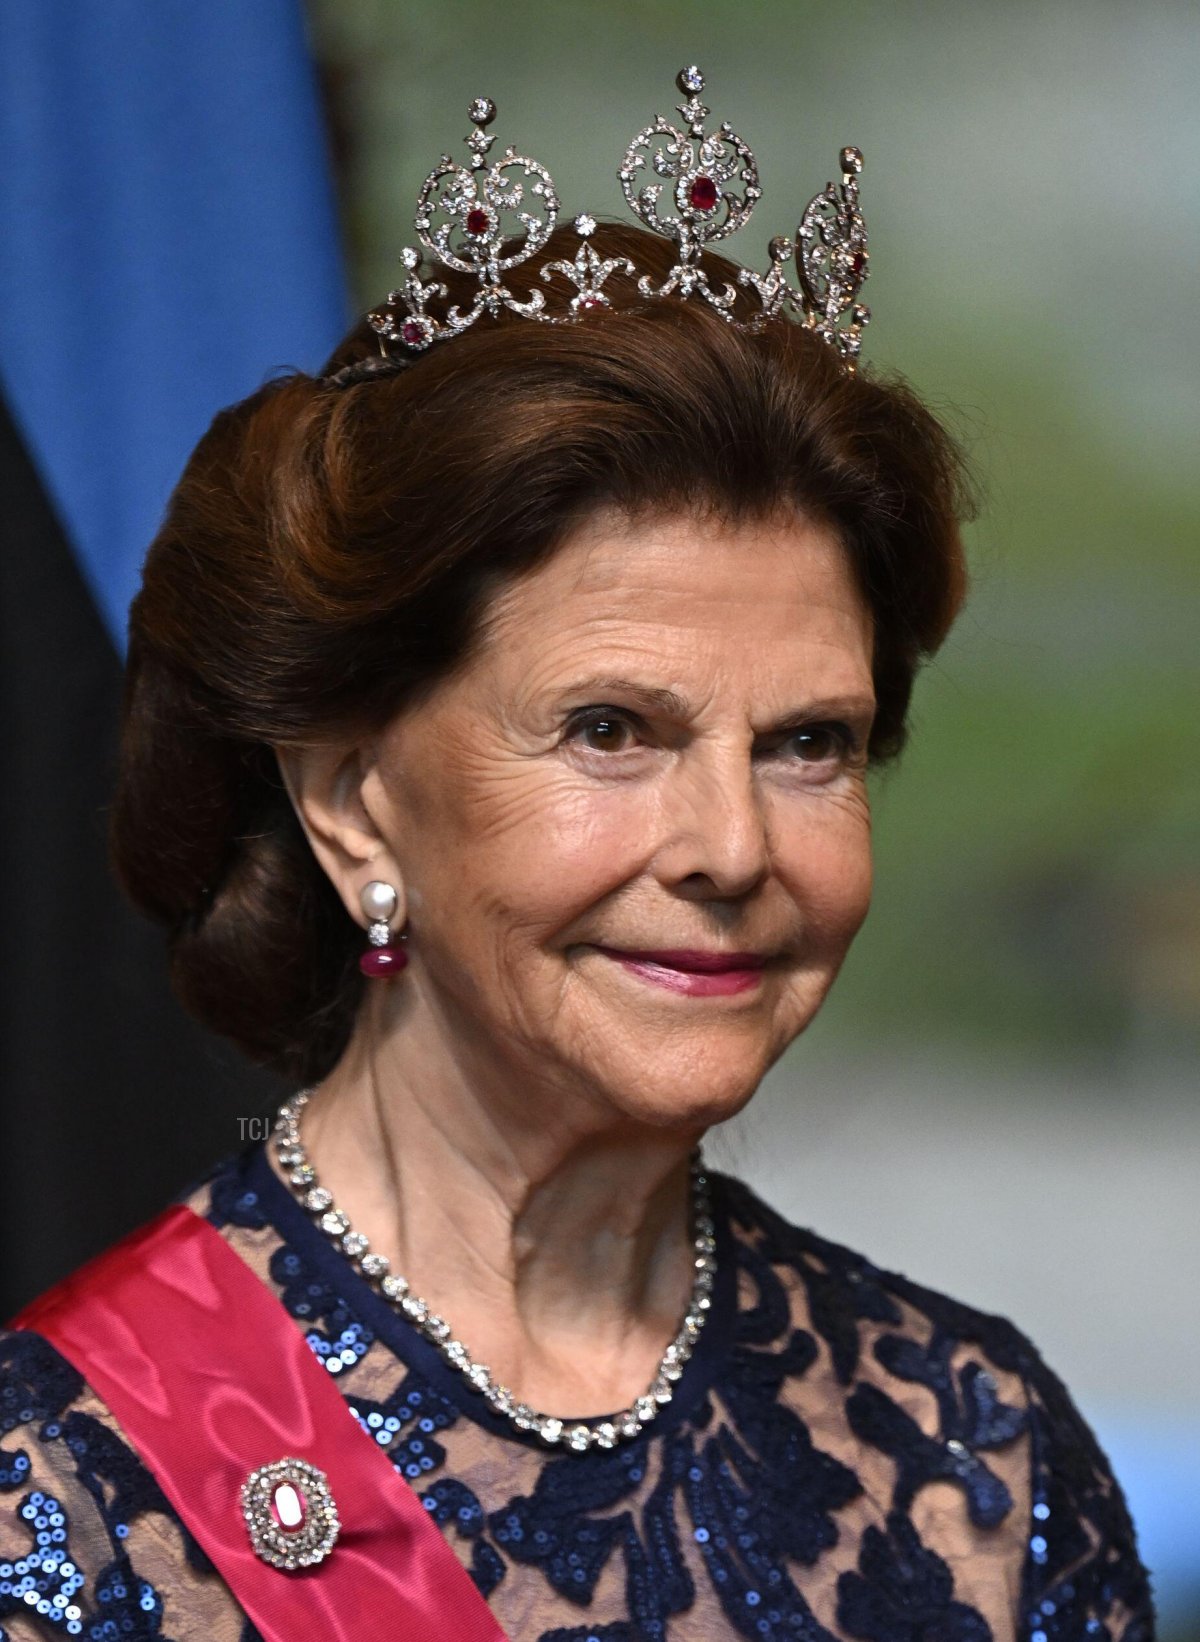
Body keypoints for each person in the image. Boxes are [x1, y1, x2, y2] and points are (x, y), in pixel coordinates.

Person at [1, 71, 1154, 1642]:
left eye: (807, 742)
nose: (734, 847)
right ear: (352, 802)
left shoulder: (977, 1455)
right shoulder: (65, 1492)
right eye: (612, 730)